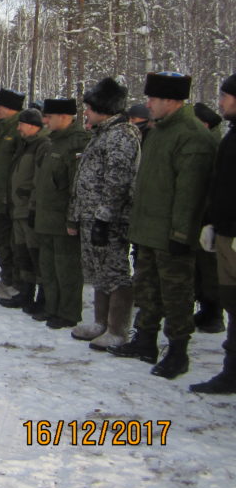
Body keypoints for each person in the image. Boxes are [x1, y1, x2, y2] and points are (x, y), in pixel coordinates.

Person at [108, 72, 216, 378]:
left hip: (172, 234)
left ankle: (178, 351)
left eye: (153, 99)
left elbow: (190, 192)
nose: (148, 105)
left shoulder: (192, 135)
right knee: (147, 289)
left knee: (176, 295)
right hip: (147, 230)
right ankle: (145, 340)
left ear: (171, 100)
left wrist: (181, 233)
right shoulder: (158, 131)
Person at [68, 78, 140, 348]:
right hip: (91, 216)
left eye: (89, 107)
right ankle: (101, 322)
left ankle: (117, 329)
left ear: (103, 107)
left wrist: (104, 217)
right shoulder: (102, 133)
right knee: (98, 271)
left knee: (114, 271)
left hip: (109, 220)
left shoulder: (121, 135)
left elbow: (117, 180)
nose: (85, 112)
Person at [191, 73, 236, 393]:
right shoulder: (232, 136)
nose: (220, 102)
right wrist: (213, 222)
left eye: (225, 96)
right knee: (232, 301)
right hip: (225, 231)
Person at [33, 98, 90, 329]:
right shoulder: (53, 142)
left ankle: (68, 312)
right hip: (46, 217)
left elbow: (76, 187)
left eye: (49, 117)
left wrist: (72, 218)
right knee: (48, 266)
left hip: (63, 219)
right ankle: (52, 307)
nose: (45, 121)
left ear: (65, 117)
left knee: (66, 268)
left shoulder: (77, 143)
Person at [0, 107, 49, 313]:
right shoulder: (25, 145)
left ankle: (42, 297)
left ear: (32, 126)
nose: (18, 127)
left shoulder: (42, 145)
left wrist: (33, 207)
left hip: (29, 209)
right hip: (17, 208)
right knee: (22, 253)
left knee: (34, 253)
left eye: (21, 124)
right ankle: (26, 292)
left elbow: (39, 180)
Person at [0, 89, 26, 298]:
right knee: (0, 239)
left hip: (10, 197)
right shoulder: (2, 129)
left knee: (12, 241)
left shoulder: (18, 129)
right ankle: (6, 278)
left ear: (10, 108)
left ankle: (16, 282)